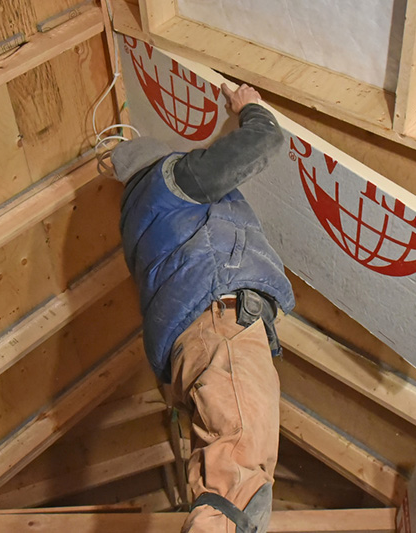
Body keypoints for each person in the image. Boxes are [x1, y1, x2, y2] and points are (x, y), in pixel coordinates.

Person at [110, 83, 295, 533]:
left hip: (198, 343)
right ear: (160, 163)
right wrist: (250, 107)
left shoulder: (142, 225)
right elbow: (263, 141)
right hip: (220, 323)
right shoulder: (172, 183)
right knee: (237, 490)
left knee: (234, 488)